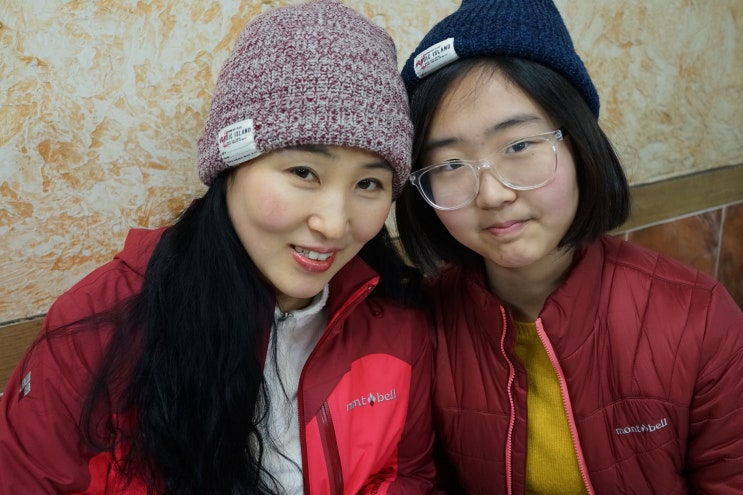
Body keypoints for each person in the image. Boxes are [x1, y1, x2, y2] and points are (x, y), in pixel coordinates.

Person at [0, 1, 436, 493]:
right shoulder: (101, 326)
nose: (334, 225)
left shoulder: (400, 324)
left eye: (368, 184)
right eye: (303, 172)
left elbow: (407, 475)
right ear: (230, 167)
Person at [394, 0, 743, 493]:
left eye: (518, 146)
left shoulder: (700, 318)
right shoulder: (421, 326)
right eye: (450, 165)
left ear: (579, 144)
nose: (492, 195)